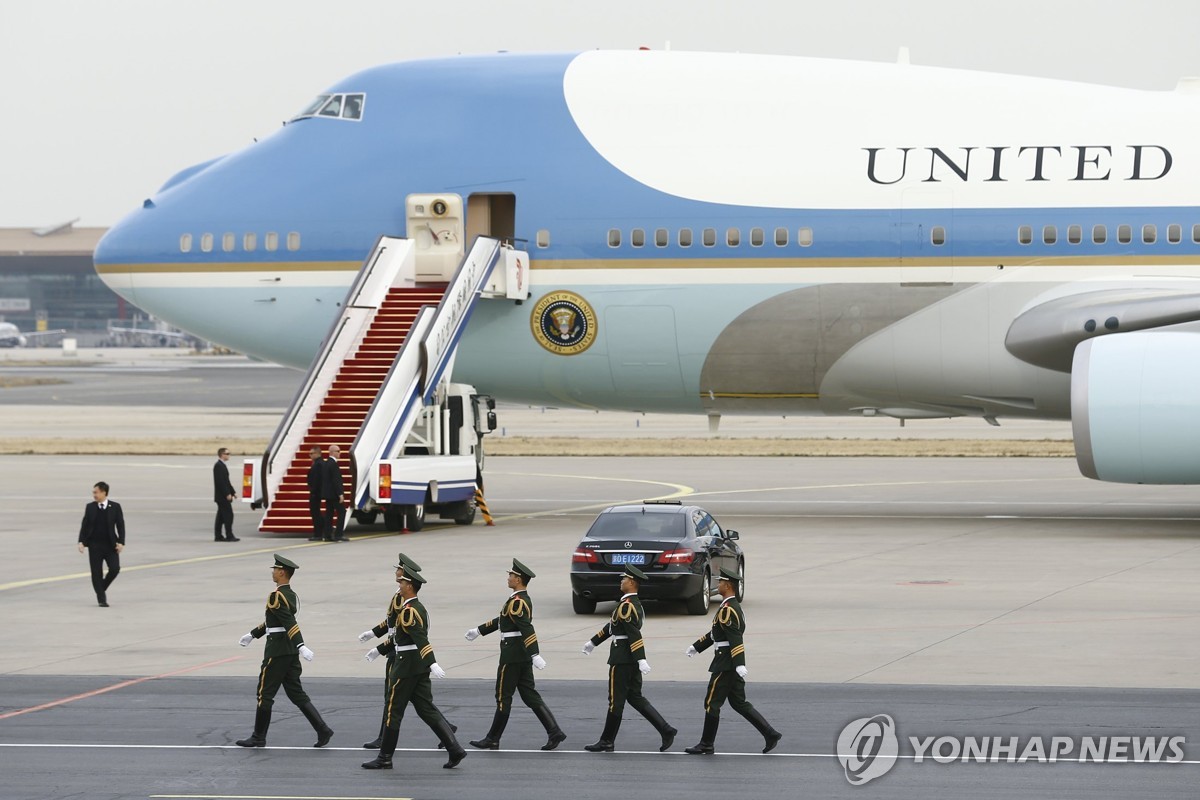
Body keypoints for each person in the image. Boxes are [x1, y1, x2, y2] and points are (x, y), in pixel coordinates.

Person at [361, 565, 466, 770]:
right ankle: (455, 749)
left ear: (409, 585)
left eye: (402, 582)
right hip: (417, 666)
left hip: (406, 667)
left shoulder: (409, 611)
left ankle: (385, 758)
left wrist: (433, 662)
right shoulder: (417, 608)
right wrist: (378, 650)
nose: (399, 585)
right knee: (426, 709)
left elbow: (420, 640)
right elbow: (401, 638)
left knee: (394, 710)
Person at [464, 559, 566, 751]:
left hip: (512, 655)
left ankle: (493, 738)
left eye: (511, 575)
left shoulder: (518, 602)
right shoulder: (517, 600)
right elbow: (502, 620)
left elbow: (527, 628)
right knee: (529, 694)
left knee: (503, 696)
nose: (508, 578)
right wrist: (478, 630)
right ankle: (554, 731)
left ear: (518, 579)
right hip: (521, 654)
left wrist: (535, 653)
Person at [235, 554, 333, 748]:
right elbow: (275, 621)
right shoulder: (290, 595)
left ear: (281, 572)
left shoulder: (276, 596)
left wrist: (301, 644)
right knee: (296, 693)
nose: (272, 572)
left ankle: (258, 736)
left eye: (274, 569)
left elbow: (289, 623)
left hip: (277, 651)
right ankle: (322, 729)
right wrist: (253, 634)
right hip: (289, 652)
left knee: (265, 693)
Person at [683, 567, 781, 755]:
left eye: (720, 582)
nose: (718, 585)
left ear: (727, 585)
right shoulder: (729, 607)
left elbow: (735, 638)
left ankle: (706, 744)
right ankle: (770, 733)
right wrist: (697, 647)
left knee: (712, 703)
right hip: (728, 662)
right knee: (738, 702)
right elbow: (715, 634)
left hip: (725, 664)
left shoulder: (729, 609)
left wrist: (739, 663)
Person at [580, 564, 676, 752]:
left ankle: (607, 740)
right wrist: (593, 643)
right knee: (634, 697)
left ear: (631, 582)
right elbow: (611, 627)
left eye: (624, 579)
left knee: (616, 700)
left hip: (622, 658)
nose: (621, 581)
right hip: (628, 657)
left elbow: (633, 634)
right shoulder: (628, 604)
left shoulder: (627, 606)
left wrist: (641, 658)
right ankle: (666, 729)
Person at [77, 481, 125, 607]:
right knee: (96, 572)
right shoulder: (90, 507)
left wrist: (121, 542)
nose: (94, 495)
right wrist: (81, 542)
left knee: (115, 569)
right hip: (94, 545)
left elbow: (120, 526)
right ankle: (101, 599)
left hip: (110, 545)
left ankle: (101, 588)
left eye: (96, 492)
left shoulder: (115, 507)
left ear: (104, 492)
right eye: (93, 492)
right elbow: (85, 525)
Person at [213, 447, 240, 542]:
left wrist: (233, 492)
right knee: (228, 515)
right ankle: (229, 535)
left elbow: (227, 481)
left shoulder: (222, 465)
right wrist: (227, 494)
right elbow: (221, 482)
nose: (229, 455)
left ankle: (218, 536)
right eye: (227, 454)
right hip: (222, 497)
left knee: (220, 517)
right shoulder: (218, 466)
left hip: (223, 496)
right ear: (222, 455)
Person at [320, 444, 346, 542]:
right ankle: (338, 534)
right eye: (338, 451)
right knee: (342, 512)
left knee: (329, 514)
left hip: (328, 495)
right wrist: (340, 494)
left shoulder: (326, 464)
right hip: (335, 495)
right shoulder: (333, 464)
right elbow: (336, 481)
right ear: (332, 452)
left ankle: (327, 535)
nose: (340, 453)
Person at [306, 446, 323, 542]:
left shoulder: (318, 464)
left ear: (317, 453)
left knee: (316, 514)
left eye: (312, 453)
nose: (310, 455)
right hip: (316, 492)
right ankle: (319, 532)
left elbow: (317, 480)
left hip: (316, 493)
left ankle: (318, 534)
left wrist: (313, 491)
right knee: (316, 514)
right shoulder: (317, 463)